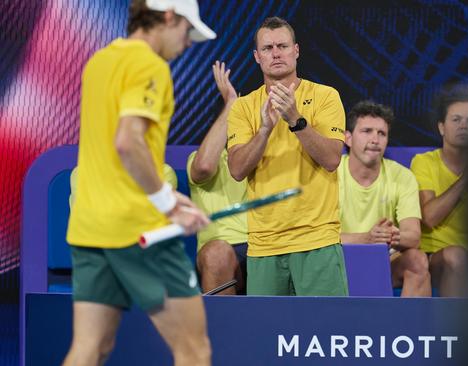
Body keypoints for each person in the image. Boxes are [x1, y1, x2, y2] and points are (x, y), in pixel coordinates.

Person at [65, 1, 215, 364]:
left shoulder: (100, 61)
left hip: (89, 227)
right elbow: (128, 143)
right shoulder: (151, 65)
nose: (188, 42)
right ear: (166, 16)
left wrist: (172, 201)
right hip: (138, 231)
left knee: (90, 349)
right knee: (194, 350)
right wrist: (168, 203)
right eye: (186, 30)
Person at [226, 16, 348, 296]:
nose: (276, 53)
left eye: (282, 45)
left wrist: (295, 119)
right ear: (257, 57)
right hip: (264, 245)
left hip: (317, 241)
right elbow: (237, 169)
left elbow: (331, 159)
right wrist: (265, 130)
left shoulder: (326, 96)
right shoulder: (243, 108)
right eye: (267, 48)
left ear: (296, 50)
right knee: (264, 337)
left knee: (324, 334)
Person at [338, 101, 431, 297]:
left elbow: (413, 237)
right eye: (367, 131)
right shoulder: (329, 175)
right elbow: (317, 237)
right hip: (337, 265)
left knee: (417, 260)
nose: (375, 139)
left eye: (382, 133)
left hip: (384, 264)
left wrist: (391, 236)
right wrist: (366, 239)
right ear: (348, 138)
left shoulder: (402, 176)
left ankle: (408, 328)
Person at [188, 60, 248, 295]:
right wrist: (232, 103)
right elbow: (202, 167)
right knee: (217, 254)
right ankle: (223, 330)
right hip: (224, 252)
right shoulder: (202, 158)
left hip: (265, 250)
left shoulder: (266, 158)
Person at [410, 94, 468, 297]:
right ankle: (458, 329)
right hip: (437, 256)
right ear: (441, 127)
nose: (463, 126)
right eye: (456, 120)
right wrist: (466, 179)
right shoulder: (424, 162)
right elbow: (429, 216)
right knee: (456, 255)